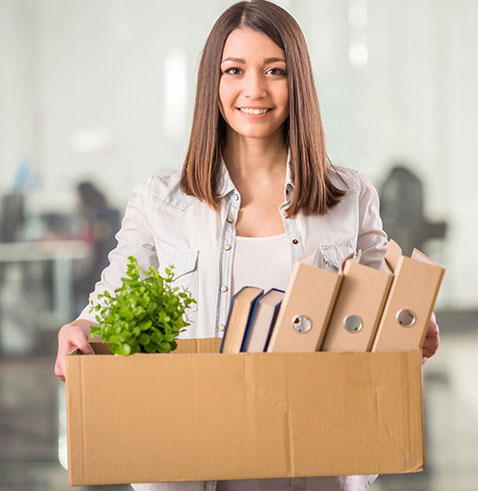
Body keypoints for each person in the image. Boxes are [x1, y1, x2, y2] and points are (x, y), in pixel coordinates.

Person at [54, 1, 439, 490]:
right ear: (212, 84)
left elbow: (380, 310)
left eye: (274, 70)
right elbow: (116, 294)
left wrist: (410, 325)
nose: (253, 89)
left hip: (316, 464)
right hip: (190, 461)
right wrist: (83, 326)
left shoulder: (351, 196)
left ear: (297, 80)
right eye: (234, 70)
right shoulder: (160, 201)